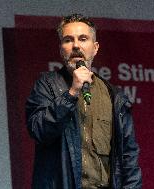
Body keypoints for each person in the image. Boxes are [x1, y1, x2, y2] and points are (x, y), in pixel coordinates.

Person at [26, 13, 142, 189]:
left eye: (83, 39)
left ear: (95, 48)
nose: (76, 46)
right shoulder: (47, 85)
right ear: (60, 49)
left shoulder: (114, 96)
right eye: (68, 40)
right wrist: (71, 93)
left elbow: (128, 157)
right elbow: (38, 130)